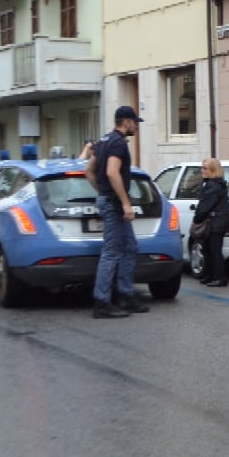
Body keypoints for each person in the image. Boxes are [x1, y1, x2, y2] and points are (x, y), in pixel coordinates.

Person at [85, 106, 148, 318]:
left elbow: (89, 172)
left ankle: (126, 295)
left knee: (130, 247)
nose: (136, 127)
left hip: (108, 199)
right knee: (111, 252)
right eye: (135, 122)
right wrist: (125, 203)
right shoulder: (119, 144)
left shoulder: (103, 141)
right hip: (114, 204)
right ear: (127, 122)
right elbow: (112, 172)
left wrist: (102, 192)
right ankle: (101, 302)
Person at [193, 158, 229, 287]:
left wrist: (197, 219)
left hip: (216, 222)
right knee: (208, 249)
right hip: (215, 221)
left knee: (215, 250)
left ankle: (219, 277)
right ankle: (210, 275)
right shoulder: (213, 184)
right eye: (202, 167)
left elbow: (205, 205)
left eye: (205, 168)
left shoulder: (214, 186)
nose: (202, 171)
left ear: (213, 171)